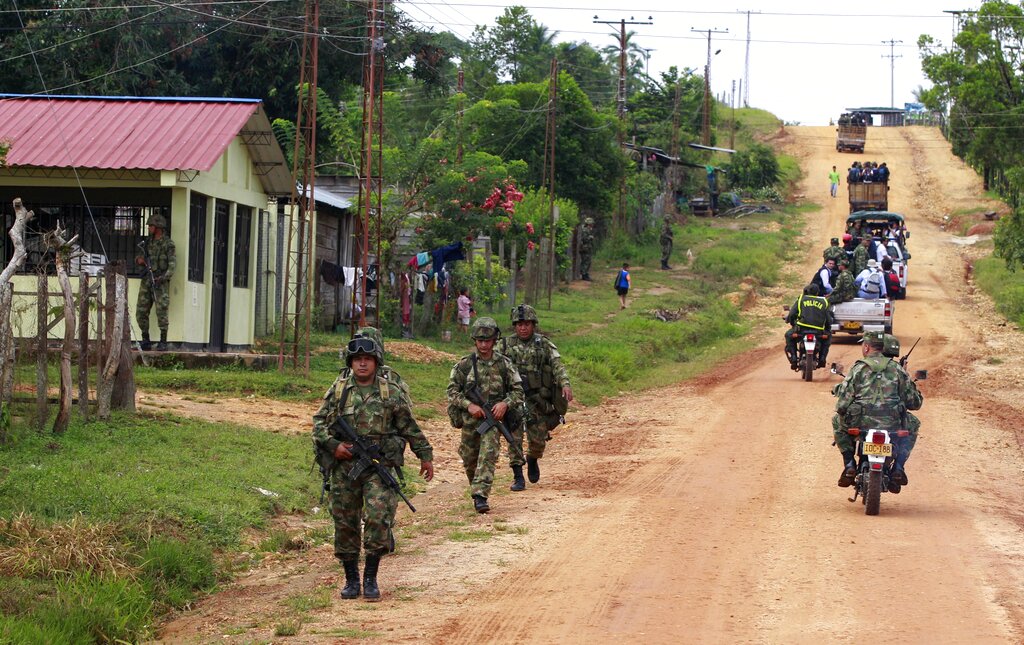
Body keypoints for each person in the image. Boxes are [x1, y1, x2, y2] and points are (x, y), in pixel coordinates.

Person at [312, 336, 434, 601]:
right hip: (345, 467)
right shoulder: (339, 390)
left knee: (379, 518)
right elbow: (319, 423)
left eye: (367, 359)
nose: (363, 364)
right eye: (357, 359)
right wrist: (335, 446)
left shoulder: (390, 391)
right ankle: (351, 580)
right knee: (345, 522)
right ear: (351, 362)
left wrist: (425, 455)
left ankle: (370, 577)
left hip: (378, 466)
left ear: (376, 362)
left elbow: (408, 426)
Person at [447, 317, 525, 514]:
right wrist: (469, 405)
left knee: (489, 453)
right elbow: (452, 392)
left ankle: (480, 495)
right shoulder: (464, 365)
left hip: (493, 421)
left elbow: (518, 392)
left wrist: (504, 404)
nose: (483, 344)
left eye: (487, 340)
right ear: (475, 341)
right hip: (470, 421)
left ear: (494, 341)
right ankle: (476, 487)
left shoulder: (505, 364)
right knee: (469, 458)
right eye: (480, 340)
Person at [831, 332, 922, 488]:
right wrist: (906, 373)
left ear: (866, 347)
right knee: (913, 423)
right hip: (892, 424)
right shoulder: (897, 369)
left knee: (836, 421)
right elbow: (914, 403)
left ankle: (849, 464)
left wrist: (843, 411)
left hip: (860, 423)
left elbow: (842, 404)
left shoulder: (858, 368)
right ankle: (899, 466)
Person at [499, 305, 573, 490]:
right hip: (512, 400)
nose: (522, 328)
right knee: (513, 438)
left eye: (526, 324)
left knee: (538, 440)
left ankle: (532, 459)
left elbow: (557, 365)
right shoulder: (505, 345)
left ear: (533, 325)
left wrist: (565, 383)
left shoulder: (544, 344)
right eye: (519, 324)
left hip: (536, 400)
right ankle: (518, 476)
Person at [135, 213, 176, 351]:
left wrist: (163, 278)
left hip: (160, 282)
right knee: (141, 311)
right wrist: (140, 260)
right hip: (147, 280)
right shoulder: (147, 242)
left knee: (161, 311)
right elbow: (139, 257)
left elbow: (172, 265)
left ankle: (163, 341)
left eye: (151, 225)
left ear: (158, 227)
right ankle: (145, 340)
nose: (149, 228)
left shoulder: (168, 244)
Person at [784, 283, 833, 370]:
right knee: (827, 338)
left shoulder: (801, 300)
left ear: (808, 291)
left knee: (789, 335)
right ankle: (822, 359)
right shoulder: (824, 301)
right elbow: (828, 319)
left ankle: (794, 358)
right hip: (818, 331)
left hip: (801, 330)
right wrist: (827, 329)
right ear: (817, 293)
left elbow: (791, 314)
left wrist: (792, 324)